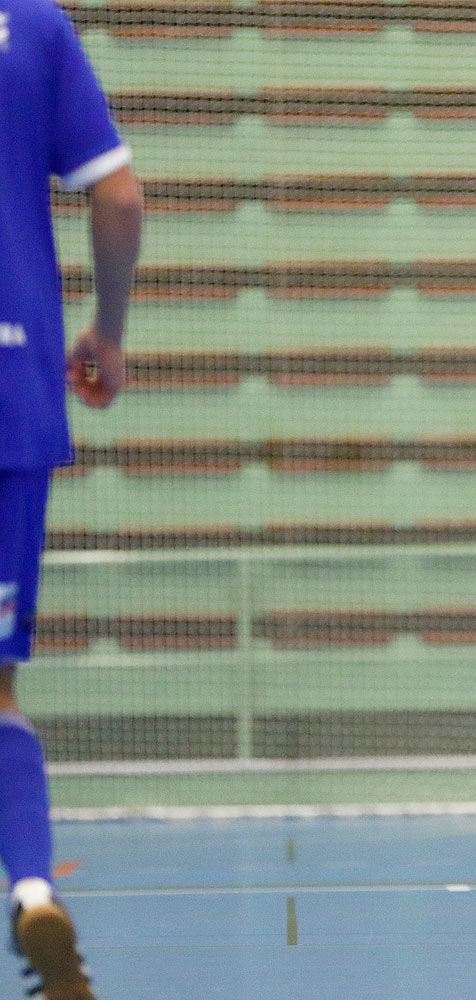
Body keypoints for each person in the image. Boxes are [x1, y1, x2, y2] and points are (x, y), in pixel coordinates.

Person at [1, 0, 145, 996]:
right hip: (11, 389)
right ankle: (33, 892)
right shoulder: (34, 30)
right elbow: (120, 197)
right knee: (0, 693)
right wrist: (108, 328)